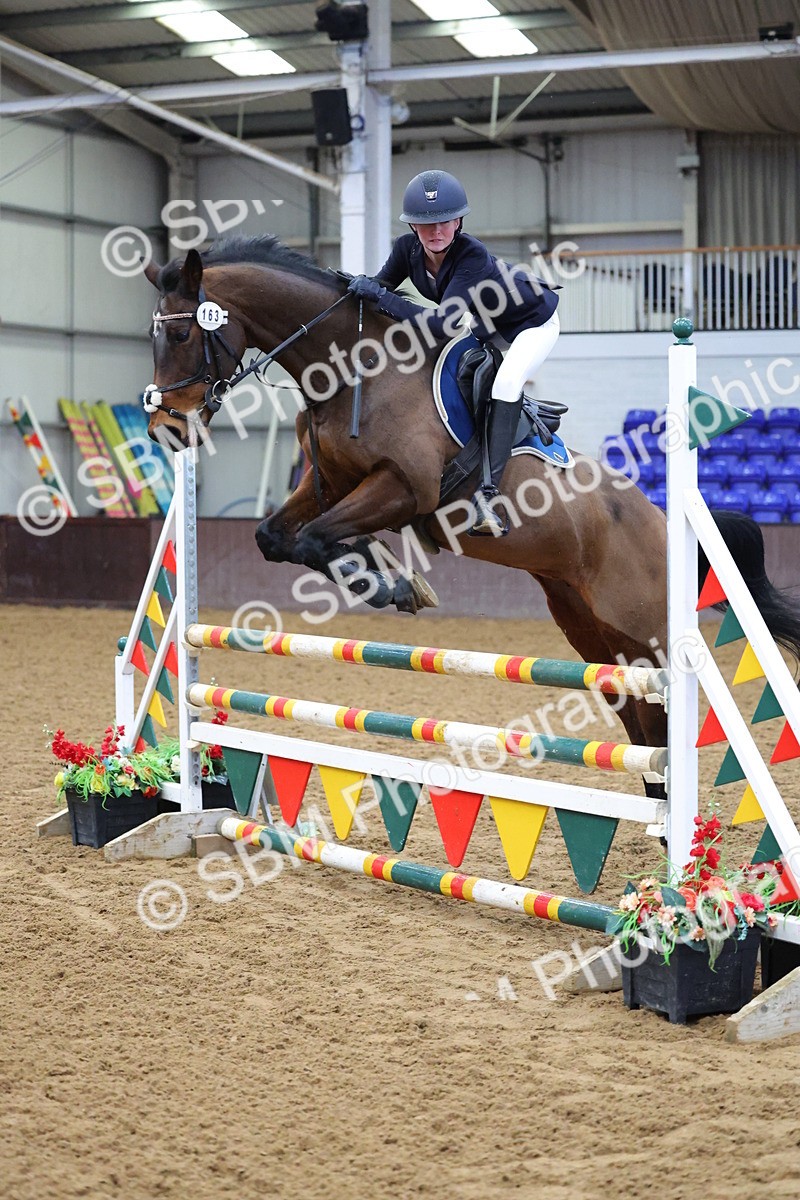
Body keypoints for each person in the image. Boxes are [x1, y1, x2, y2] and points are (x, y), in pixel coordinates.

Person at [347, 169, 560, 536]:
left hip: (531, 322)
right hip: (488, 325)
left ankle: (489, 497)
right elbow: (379, 288)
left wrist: (380, 297)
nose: (436, 232)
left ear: (458, 220)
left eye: (445, 222)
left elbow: (441, 323)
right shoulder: (405, 250)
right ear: (413, 227)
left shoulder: (471, 255)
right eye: (425, 224)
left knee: (507, 384)